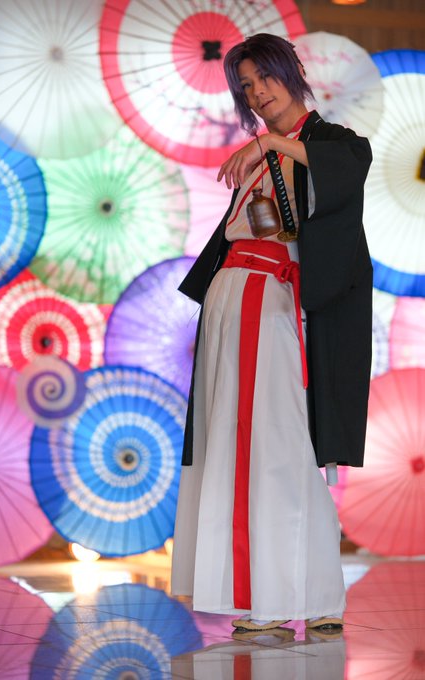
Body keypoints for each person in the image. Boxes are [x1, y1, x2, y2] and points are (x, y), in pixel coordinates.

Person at [171, 33, 372, 633]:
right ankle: (274, 596)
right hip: (232, 306)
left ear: (293, 72)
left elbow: (351, 165)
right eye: (246, 86)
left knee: (279, 448)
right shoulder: (258, 155)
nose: (258, 92)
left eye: (265, 77)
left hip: (276, 306)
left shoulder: (327, 143)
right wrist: (264, 147)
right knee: (236, 448)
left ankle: (296, 597)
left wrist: (271, 143)